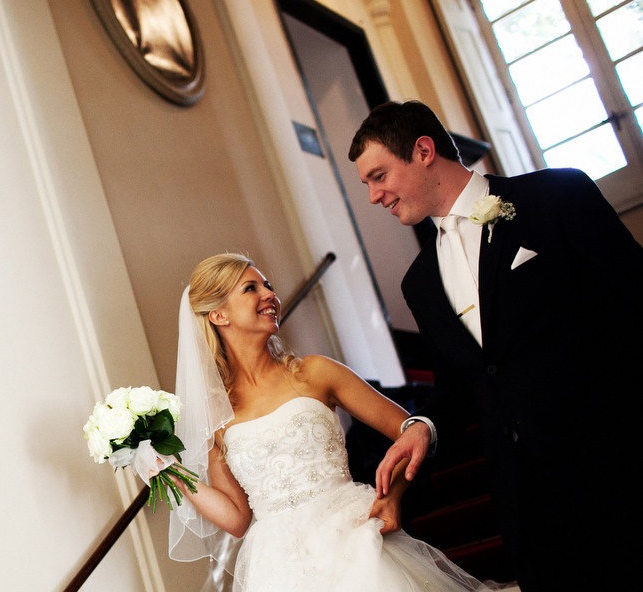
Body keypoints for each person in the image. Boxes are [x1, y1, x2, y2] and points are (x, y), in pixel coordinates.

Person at [348, 100, 643, 591]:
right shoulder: (419, 283)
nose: (375, 196)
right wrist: (423, 426)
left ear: (423, 151)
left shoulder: (556, 196)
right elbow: (463, 385)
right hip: (529, 505)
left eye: (379, 176)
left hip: (615, 460)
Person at [165, 252, 514, 591]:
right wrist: (169, 473)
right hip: (280, 567)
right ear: (218, 316)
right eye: (250, 288)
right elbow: (237, 519)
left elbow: (409, 431)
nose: (270, 294)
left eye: (267, 285)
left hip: (355, 536)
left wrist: (393, 495)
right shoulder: (219, 416)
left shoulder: (315, 372)